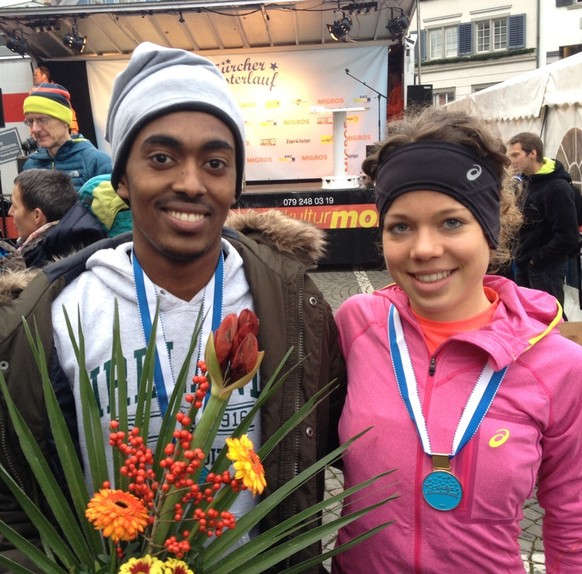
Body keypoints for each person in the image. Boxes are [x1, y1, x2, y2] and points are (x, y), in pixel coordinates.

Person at [0, 42, 345, 573]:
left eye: (215, 162)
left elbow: (319, 447)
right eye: (161, 158)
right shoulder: (51, 315)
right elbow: (16, 504)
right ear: (121, 178)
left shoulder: (293, 304)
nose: (190, 182)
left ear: (236, 184)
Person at [332, 107, 582, 573]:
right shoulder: (356, 325)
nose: (424, 248)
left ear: (491, 230)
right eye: (401, 226)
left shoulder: (559, 366)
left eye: (451, 222)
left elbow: (573, 519)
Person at [507, 132, 579, 312]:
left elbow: (568, 236)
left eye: (516, 155)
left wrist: (537, 259)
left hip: (546, 268)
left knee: (549, 319)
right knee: (529, 318)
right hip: (525, 263)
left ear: (532, 153)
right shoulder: (527, 181)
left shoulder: (557, 188)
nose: (512, 161)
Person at [0, 169, 105, 272]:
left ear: (37, 216)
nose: (10, 212)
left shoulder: (61, 258)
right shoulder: (60, 239)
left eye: (15, 206)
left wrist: (15, 275)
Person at [22, 82, 111, 190]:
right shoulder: (30, 165)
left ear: (65, 121)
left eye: (43, 120)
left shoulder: (97, 162)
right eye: (30, 121)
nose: (35, 129)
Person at [33, 65, 80, 133]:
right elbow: (33, 114)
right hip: (43, 133)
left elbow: (68, 110)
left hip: (58, 130)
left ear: (44, 76)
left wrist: (74, 129)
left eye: (36, 75)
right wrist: (33, 132)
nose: (34, 77)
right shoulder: (35, 94)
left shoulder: (56, 91)